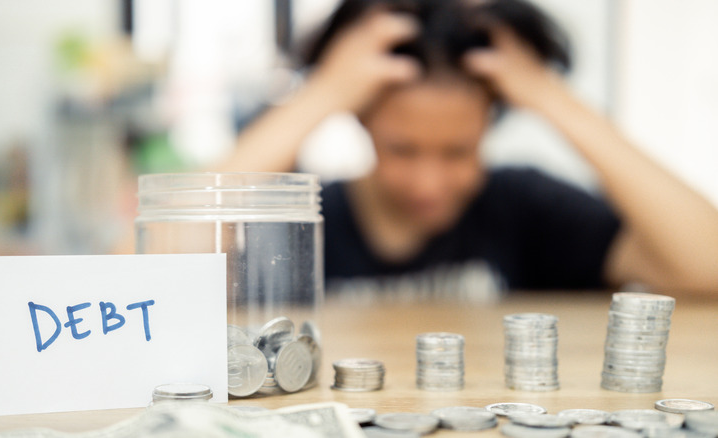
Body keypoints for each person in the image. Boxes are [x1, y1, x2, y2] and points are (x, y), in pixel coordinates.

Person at [217, 0, 718, 298]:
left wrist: (549, 96)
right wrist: (323, 93)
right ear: (361, 119)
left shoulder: (527, 206)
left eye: (458, 151)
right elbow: (157, 272)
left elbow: (707, 265)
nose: (429, 183)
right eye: (403, 150)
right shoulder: (305, 220)